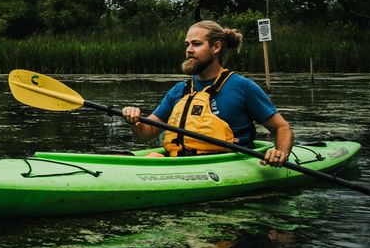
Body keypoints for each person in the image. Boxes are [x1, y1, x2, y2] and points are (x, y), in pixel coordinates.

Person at [122, 21, 293, 165]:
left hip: (225, 163)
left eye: (196, 44)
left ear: (216, 47)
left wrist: (279, 152)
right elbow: (146, 133)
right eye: (187, 44)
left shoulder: (242, 86)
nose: (189, 49)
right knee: (153, 157)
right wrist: (134, 121)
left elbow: (281, 127)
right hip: (180, 163)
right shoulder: (179, 90)